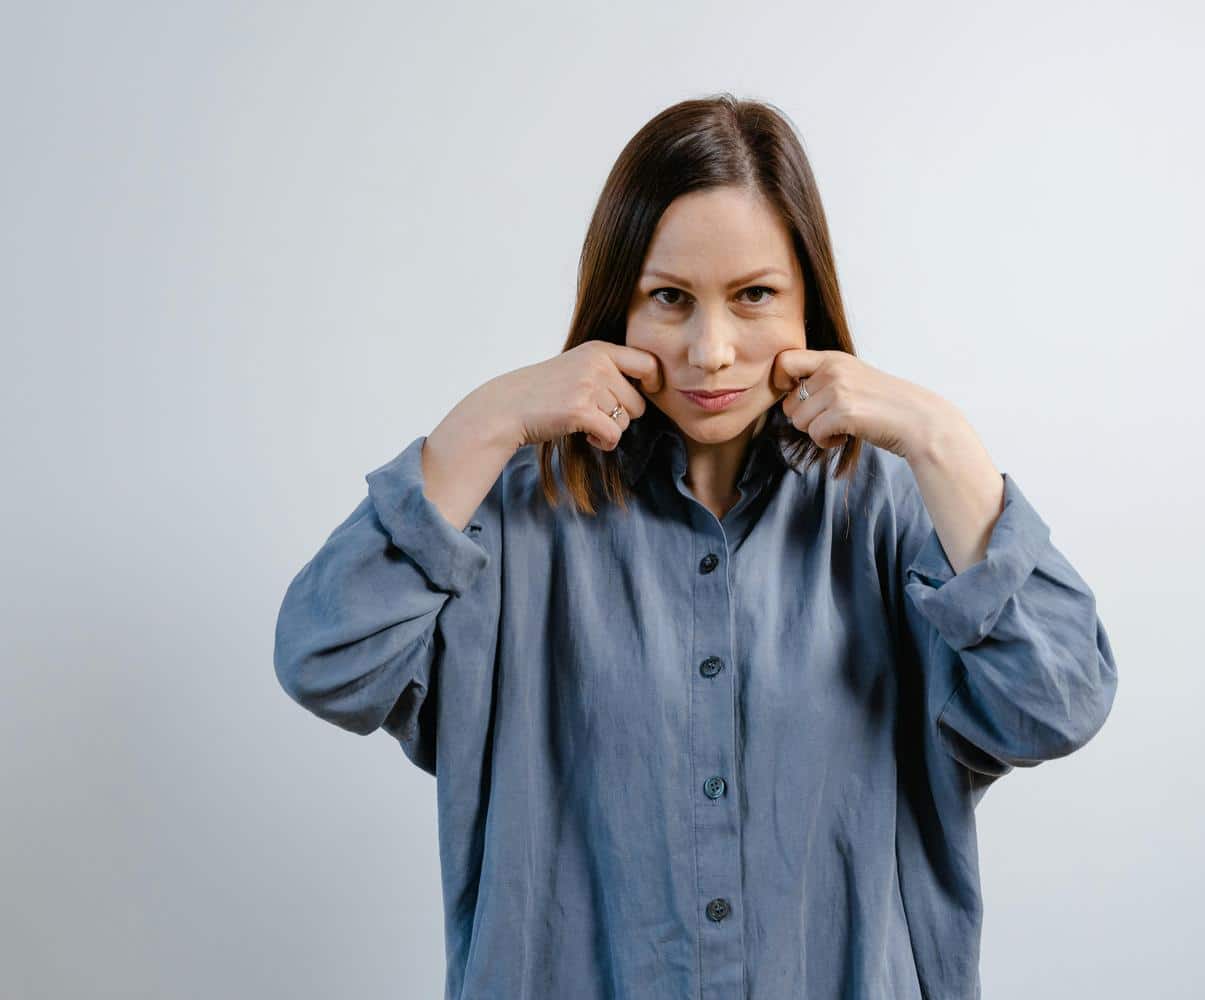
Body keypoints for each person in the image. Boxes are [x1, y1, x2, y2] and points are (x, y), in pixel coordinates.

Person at [273, 92, 1118, 1000]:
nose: (713, 350)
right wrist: (481, 425)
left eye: (754, 296)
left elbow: (1058, 705)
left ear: (808, 305)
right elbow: (327, 664)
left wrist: (945, 442)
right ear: (618, 307)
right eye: (670, 298)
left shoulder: (899, 512)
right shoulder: (508, 517)